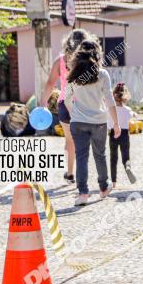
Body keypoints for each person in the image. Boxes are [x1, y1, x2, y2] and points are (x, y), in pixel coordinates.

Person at [64, 40, 120, 206]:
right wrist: (116, 123)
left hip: (78, 122)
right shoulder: (102, 74)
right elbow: (110, 100)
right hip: (99, 122)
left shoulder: (73, 75)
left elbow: (66, 98)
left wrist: (73, 112)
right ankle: (104, 187)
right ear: (98, 54)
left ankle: (83, 194)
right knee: (100, 154)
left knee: (81, 157)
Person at [42, 29, 93, 185]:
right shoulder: (89, 61)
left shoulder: (61, 61)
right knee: (84, 141)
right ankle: (82, 174)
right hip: (84, 104)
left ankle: (70, 173)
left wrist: (43, 102)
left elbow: (50, 83)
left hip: (65, 103)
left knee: (69, 141)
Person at [108, 82, 137, 188]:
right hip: (124, 134)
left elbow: (107, 123)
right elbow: (135, 116)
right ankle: (127, 166)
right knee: (126, 156)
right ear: (125, 96)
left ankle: (113, 182)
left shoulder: (110, 110)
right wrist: (134, 114)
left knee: (113, 158)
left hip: (113, 134)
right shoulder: (128, 110)